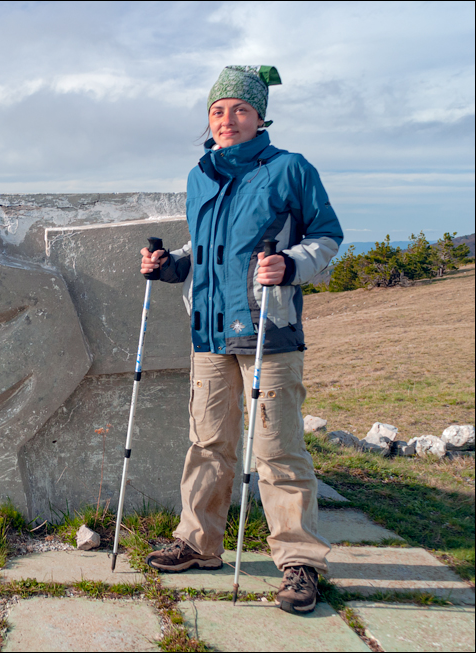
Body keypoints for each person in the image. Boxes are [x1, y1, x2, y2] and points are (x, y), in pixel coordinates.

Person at [140, 65, 343, 615]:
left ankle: (300, 561)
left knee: (277, 448)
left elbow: (327, 236)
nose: (227, 120)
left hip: (267, 332)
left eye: (239, 110)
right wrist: (170, 265)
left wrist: (291, 263)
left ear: (259, 117)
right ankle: (199, 542)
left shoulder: (290, 169)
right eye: (217, 110)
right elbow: (205, 248)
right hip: (208, 332)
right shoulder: (199, 175)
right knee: (208, 442)